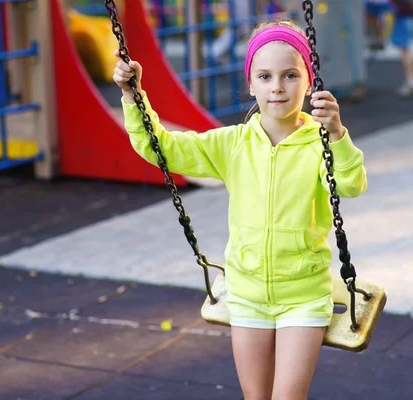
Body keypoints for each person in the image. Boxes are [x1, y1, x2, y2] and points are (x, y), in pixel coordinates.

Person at [113, 20, 367, 400]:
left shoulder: (320, 142)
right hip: (246, 293)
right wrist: (134, 96)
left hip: (303, 294)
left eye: (290, 75)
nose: (277, 86)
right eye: (265, 76)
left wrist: (338, 137)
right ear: (252, 84)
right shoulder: (232, 143)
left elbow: (351, 184)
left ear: (309, 82)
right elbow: (159, 147)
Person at [390, 0, 413, 98]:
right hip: (405, 15)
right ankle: (412, 80)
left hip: (404, 16)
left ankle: (412, 80)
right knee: (405, 50)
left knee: (405, 51)